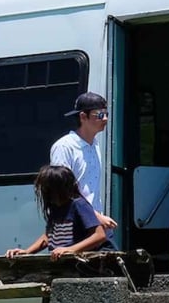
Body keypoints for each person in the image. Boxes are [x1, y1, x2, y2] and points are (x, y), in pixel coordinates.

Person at [6, 164, 110, 261]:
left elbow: (99, 235)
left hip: (80, 262)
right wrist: (27, 252)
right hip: (62, 260)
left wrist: (71, 250)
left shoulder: (78, 205)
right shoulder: (55, 208)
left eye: (47, 189)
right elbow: (48, 237)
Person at [50, 91, 119, 237]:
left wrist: (97, 217)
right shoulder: (64, 147)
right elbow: (64, 191)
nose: (105, 119)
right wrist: (95, 217)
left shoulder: (95, 144)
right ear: (83, 116)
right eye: (100, 115)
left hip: (95, 225)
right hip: (75, 226)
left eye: (106, 114)